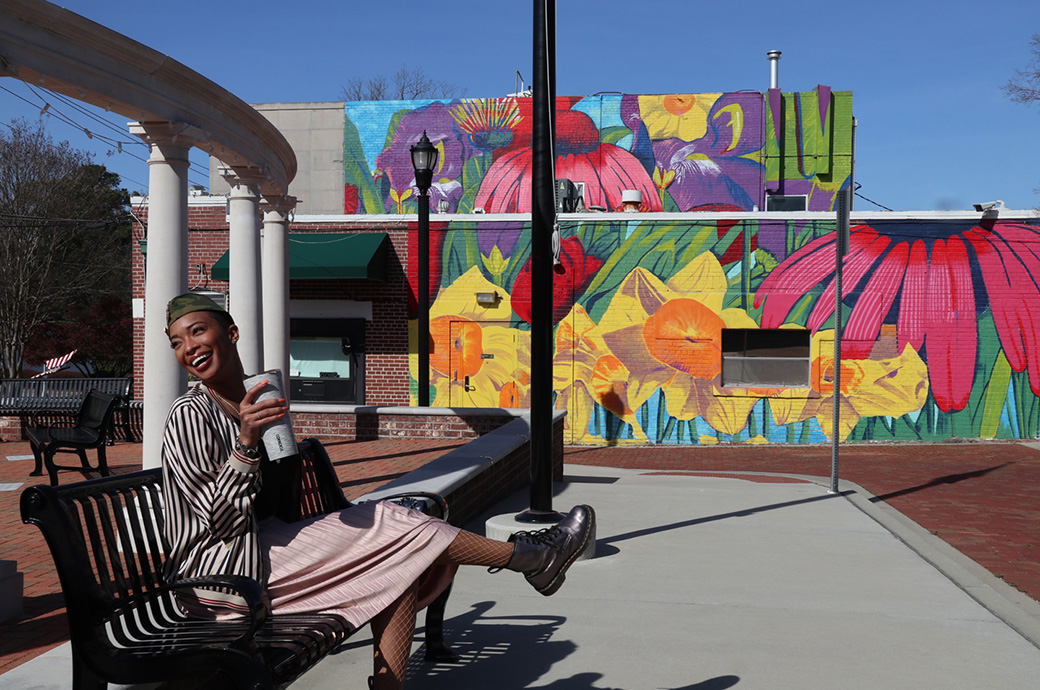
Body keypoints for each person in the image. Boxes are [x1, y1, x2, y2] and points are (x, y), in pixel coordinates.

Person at [160, 293, 595, 690]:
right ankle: (530, 557)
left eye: (197, 331)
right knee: (393, 525)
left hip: (266, 545)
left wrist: (273, 445)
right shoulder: (189, 414)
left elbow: (278, 501)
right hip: (220, 576)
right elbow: (219, 520)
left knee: (399, 563)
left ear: (230, 333)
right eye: (177, 342)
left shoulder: (252, 399)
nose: (189, 347)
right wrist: (247, 444)